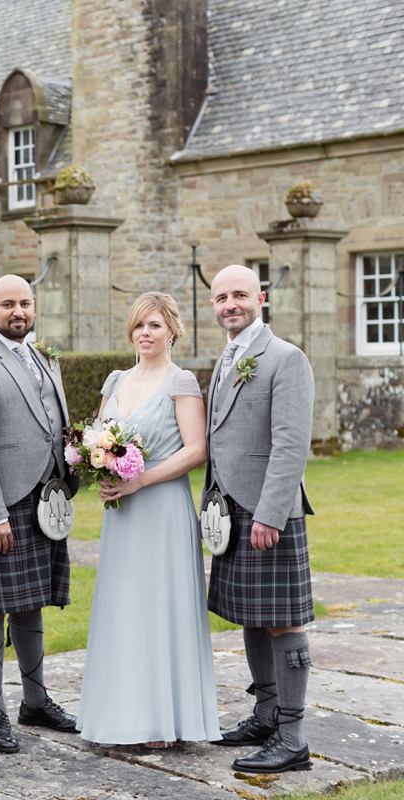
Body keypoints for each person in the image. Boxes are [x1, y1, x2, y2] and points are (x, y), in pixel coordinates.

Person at [76, 292, 220, 748]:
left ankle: (162, 720)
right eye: (139, 325)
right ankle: (122, 714)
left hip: (162, 508)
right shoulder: (115, 379)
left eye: (155, 325)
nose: (145, 333)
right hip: (122, 513)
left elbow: (196, 450)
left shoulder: (181, 382)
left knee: (161, 607)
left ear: (172, 331)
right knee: (124, 607)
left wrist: (140, 481)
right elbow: (99, 436)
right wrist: (98, 463)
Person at [0, 274, 80, 754]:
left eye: (25, 302)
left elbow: (54, 428)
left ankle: (36, 701)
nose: (18, 311)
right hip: (2, 504)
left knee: (31, 601)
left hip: (45, 500)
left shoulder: (45, 359)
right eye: (8, 304)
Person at [205, 264, 316, 774]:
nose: (231, 304)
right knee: (252, 614)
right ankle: (266, 714)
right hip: (231, 508)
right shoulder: (225, 358)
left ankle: (291, 738)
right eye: (222, 296)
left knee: (283, 620)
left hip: (267, 510)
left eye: (240, 295)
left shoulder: (285, 358)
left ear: (261, 298)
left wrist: (270, 513)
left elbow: (292, 444)